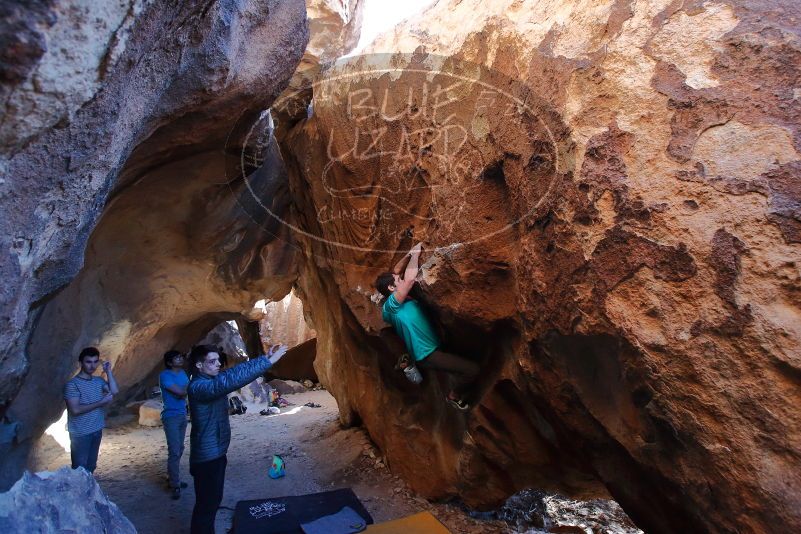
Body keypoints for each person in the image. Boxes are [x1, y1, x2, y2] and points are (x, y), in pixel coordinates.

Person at [187, 343, 288, 534]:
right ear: (199, 365)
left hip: (215, 452)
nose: (218, 364)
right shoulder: (199, 387)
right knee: (206, 506)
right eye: (212, 361)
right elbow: (229, 382)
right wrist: (269, 362)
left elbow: (236, 372)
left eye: (218, 360)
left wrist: (264, 358)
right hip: (207, 457)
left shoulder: (210, 379)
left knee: (213, 500)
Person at [375, 242, 480, 411]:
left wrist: (409, 253)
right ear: (391, 287)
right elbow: (408, 280)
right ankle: (454, 395)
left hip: (435, 343)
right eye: (397, 281)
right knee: (472, 370)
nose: (400, 278)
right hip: (428, 355)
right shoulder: (390, 307)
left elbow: (396, 271)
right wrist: (416, 255)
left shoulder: (398, 298)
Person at [63, 346, 119, 473]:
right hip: (81, 433)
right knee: (79, 469)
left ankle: (88, 492)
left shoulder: (98, 381)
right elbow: (75, 410)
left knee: (91, 466)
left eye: (95, 362)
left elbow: (114, 390)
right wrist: (101, 403)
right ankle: (79, 493)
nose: (92, 366)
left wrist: (108, 371)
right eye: (88, 362)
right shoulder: (72, 385)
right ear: (81, 363)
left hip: (96, 429)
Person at [159, 350, 190, 500]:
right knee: (175, 450)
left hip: (182, 414)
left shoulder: (183, 373)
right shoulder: (165, 375)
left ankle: (173, 477)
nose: (180, 359)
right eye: (176, 358)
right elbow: (180, 393)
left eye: (180, 356)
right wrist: (188, 389)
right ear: (170, 362)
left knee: (180, 448)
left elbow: (185, 391)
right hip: (171, 416)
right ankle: (175, 484)